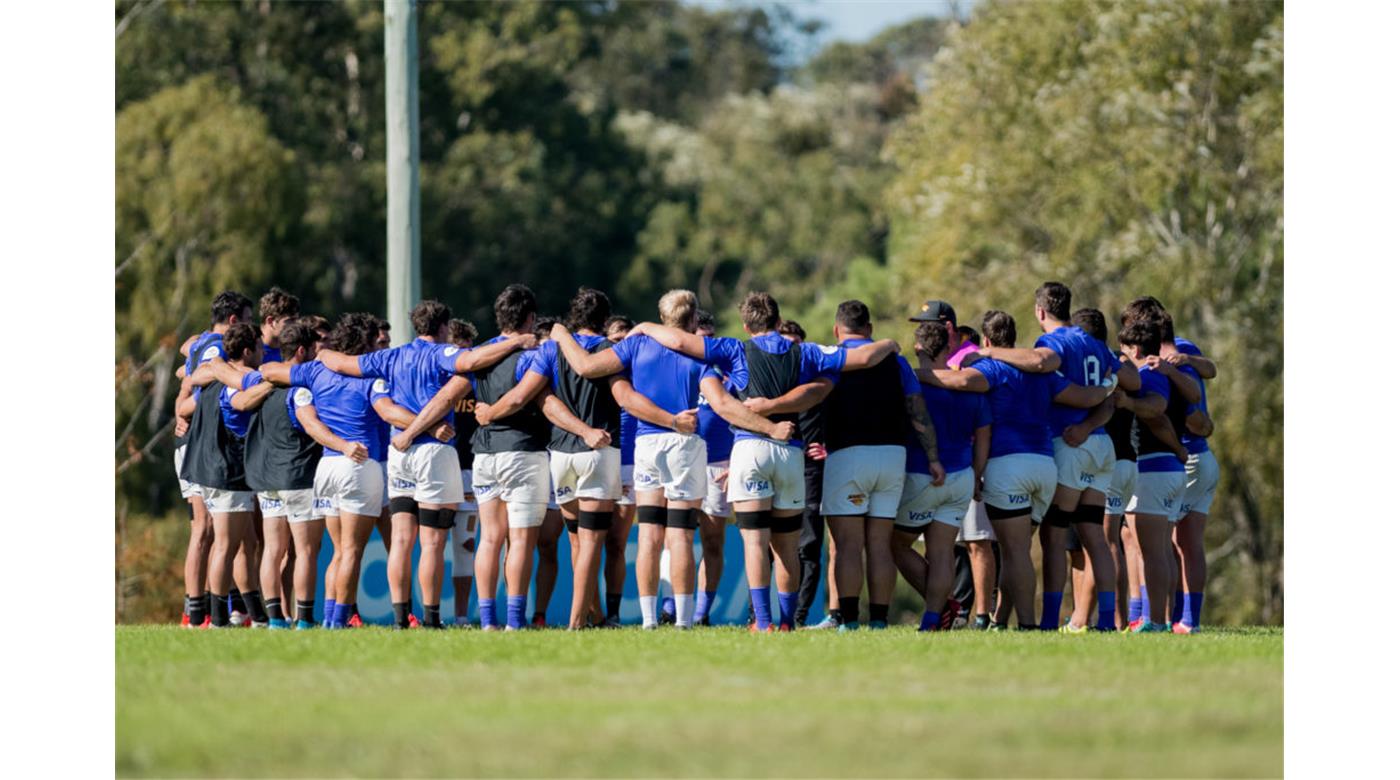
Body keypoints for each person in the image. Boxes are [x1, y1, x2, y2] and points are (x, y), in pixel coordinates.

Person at [635, 293, 898, 631]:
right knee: (787, 545)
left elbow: (678, 340)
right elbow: (862, 358)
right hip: (790, 451)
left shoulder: (734, 349)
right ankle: (788, 621)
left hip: (750, 450)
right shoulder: (806, 351)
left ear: (746, 325)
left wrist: (644, 325)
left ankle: (763, 620)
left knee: (755, 543)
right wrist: (889, 343)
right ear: (778, 320)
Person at [549, 289, 796, 630]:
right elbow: (724, 406)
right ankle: (683, 620)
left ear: (662, 317)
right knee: (680, 535)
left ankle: (650, 619)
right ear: (693, 320)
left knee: (650, 534)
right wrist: (768, 427)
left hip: (647, 445)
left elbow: (587, 366)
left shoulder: (635, 346)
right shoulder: (700, 360)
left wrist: (560, 332)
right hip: (684, 444)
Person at [319, 300, 525, 628]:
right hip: (433, 451)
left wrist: (322, 354)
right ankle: (430, 619)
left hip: (399, 454)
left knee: (401, 540)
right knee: (432, 542)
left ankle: (401, 618)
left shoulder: (392, 355)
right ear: (443, 328)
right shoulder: (441, 354)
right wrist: (516, 340)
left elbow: (344, 364)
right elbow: (471, 360)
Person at [923, 310, 1110, 630]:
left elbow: (958, 381)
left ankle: (1027, 623)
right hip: (1045, 467)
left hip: (1008, 465)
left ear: (985, 340)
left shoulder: (990, 368)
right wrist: (1109, 384)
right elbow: (1083, 397)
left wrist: (912, 374)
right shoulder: (1045, 375)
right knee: (1017, 551)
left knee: (1015, 551)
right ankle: (1002, 618)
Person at [976, 282, 1138, 631]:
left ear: (1040, 312)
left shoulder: (1052, 343)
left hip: (1070, 444)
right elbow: (1132, 381)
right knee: (1095, 534)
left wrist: (991, 354)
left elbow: (1038, 362)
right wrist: (1106, 388)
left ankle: (1048, 622)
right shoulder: (1096, 344)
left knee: (1053, 536)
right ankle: (1107, 621)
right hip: (1100, 444)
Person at [533, 290, 692, 629]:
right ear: (605, 321)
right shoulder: (612, 352)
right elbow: (625, 398)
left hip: (559, 455)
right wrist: (672, 421)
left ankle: (594, 614)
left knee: (578, 540)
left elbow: (542, 399)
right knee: (592, 541)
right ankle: (578, 620)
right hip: (598, 451)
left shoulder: (551, 347)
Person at [260, 313, 400, 628]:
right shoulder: (370, 378)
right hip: (359, 464)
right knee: (352, 551)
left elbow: (269, 370)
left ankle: (328, 621)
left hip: (327, 466)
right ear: (364, 348)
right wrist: (422, 423)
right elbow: (387, 411)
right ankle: (336, 621)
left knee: (339, 552)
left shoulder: (315, 372)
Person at [818, 300, 943, 632]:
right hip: (892, 456)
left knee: (847, 544)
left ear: (836, 330)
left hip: (848, 455)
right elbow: (918, 411)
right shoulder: (898, 362)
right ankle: (878, 620)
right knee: (879, 542)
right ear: (869, 329)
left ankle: (847, 620)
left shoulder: (830, 358)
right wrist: (933, 457)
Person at [893, 322, 991, 631]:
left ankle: (945, 607)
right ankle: (933, 619)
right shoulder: (970, 386)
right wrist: (977, 475)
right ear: (949, 349)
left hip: (924, 475)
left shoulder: (911, 384)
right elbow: (984, 435)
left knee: (894, 544)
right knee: (942, 550)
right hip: (962, 476)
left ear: (917, 348)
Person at [178, 322, 268, 627]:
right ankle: (216, 618)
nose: (262, 351)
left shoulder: (214, 378)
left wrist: (181, 414)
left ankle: (254, 615)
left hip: (213, 470)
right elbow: (241, 398)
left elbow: (185, 404)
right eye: (259, 346)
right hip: (226, 471)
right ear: (247, 350)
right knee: (226, 546)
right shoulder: (234, 382)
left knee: (246, 544)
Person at [1114, 318, 1191, 633]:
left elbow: (1157, 412)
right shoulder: (1166, 375)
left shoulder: (1146, 376)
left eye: (1122, 351)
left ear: (1133, 349)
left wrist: (1128, 402)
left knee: (1152, 552)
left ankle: (1155, 620)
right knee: (1161, 550)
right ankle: (1163, 618)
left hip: (1154, 469)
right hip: (1170, 470)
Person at [444, 319, 482, 627]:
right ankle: (422, 612)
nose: (465, 358)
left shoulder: (478, 381)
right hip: (435, 467)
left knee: (465, 545)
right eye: (459, 351)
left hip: (469, 470)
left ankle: (460, 615)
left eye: (468, 351)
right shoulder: (434, 379)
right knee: (428, 543)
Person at [603, 315, 637, 626]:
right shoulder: (596, 369)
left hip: (629, 464)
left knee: (615, 542)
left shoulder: (640, 370)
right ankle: (588, 611)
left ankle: (612, 614)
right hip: (597, 458)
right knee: (586, 541)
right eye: (616, 341)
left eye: (627, 341)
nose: (622, 348)